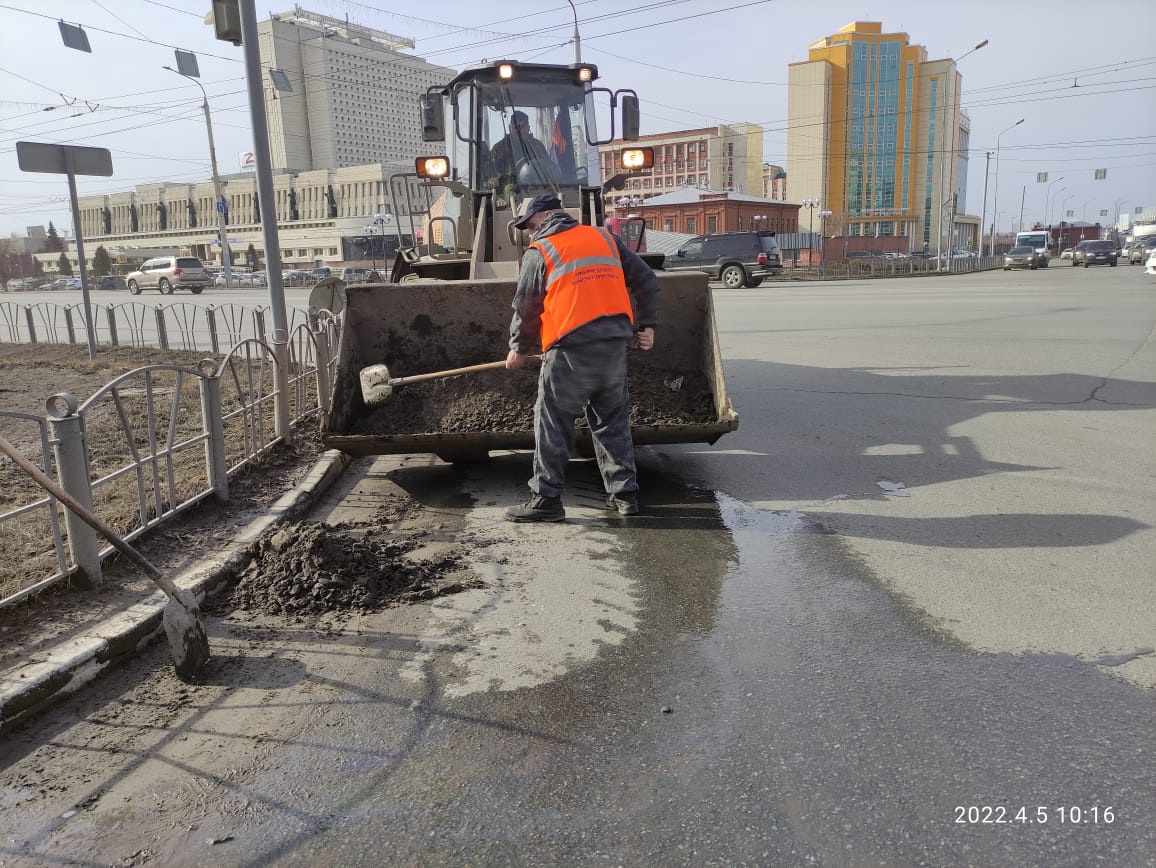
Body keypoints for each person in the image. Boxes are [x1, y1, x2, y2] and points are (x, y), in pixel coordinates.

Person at [504, 194, 659, 523]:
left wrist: (519, 348)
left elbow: (527, 306)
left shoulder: (541, 250)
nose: (531, 232)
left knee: (553, 423)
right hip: (615, 347)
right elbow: (646, 278)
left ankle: (546, 499)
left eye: (531, 225)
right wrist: (646, 325)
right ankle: (625, 496)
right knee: (611, 422)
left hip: (571, 350)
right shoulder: (604, 237)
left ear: (545, 215)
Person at [486, 111, 557, 197]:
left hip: (537, 191)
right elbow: (489, 174)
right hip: (509, 194)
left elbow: (548, 167)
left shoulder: (538, 147)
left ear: (528, 127)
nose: (519, 130)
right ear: (510, 127)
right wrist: (492, 180)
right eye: (516, 127)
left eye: (522, 126)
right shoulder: (499, 149)